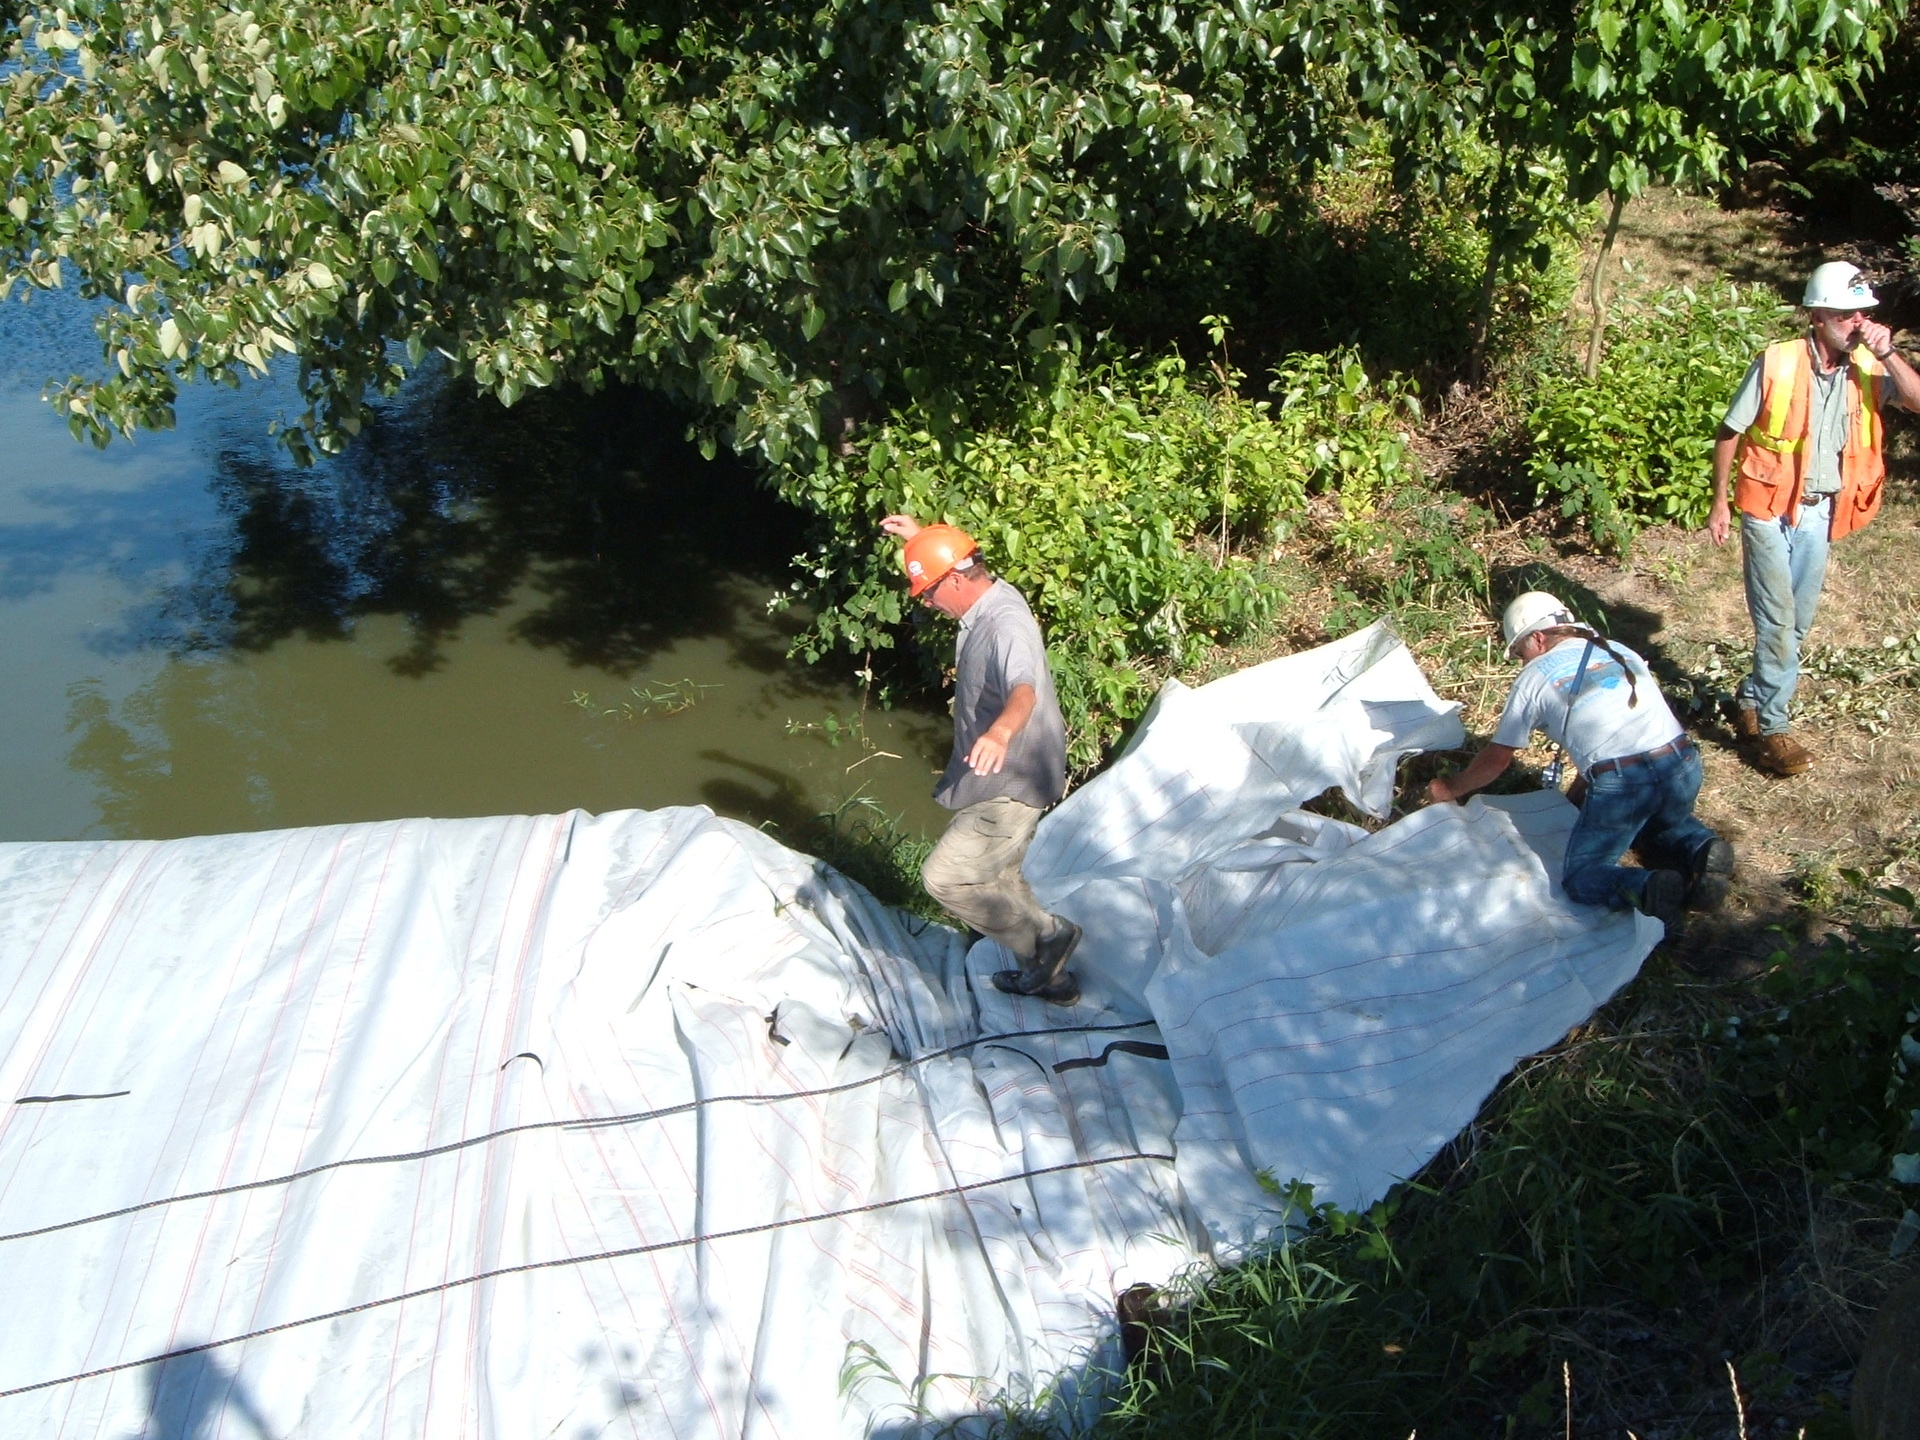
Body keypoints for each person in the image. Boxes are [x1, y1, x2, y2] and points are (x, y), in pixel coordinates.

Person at [1706, 261, 1920, 777]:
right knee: (1777, 622)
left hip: (1819, 512)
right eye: (1845, 315)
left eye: (1862, 313)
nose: (1856, 323)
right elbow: (1729, 432)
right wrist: (1719, 502)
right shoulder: (1778, 362)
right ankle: (1774, 732)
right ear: (1816, 315)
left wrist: (1888, 351)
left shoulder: (1870, 366)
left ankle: (1752, 699)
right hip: (1766, 508)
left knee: (1796, 624)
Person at [1427, 591, 1735, 935]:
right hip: (1682, 762)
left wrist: (1448, 788)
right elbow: (1615, 732)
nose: (1520, 661)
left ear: (1538, 638)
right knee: (1656, 822)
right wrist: (1578, 795)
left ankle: (1647, 888)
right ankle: (1701, 847)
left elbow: (1496, 760)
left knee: (1581, 877)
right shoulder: (1617, 649)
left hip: (1626, 782)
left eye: (1519, 651)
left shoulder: (1535, 676)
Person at [880, 514, 1083, 1004]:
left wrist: (1000, 730)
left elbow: (1024, 691)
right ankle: (1054, 982)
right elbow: (955, 558)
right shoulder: (993, 592)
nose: (927, 602)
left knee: (946, 878)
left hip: (1010, 776)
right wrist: (922, 541)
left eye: (929, 592)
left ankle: (1050, 937)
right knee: (999, 874)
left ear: (955, 579)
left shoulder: (1004, 626)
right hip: (1008, 768)